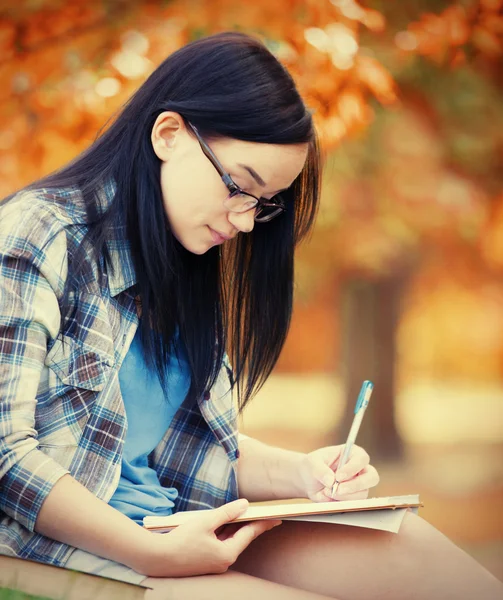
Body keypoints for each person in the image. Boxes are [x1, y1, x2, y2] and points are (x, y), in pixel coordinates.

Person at [0, 31, 501, 600]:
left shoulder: (184, 260)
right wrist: (150, 553)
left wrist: (304, 474)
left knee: (442, 573)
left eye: (263, 205)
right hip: (55, 549)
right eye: (240, 186)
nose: (244, 222)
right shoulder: (38, 234)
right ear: (169, 135)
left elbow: (192, 447)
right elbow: (5, 455)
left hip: (177, 528)